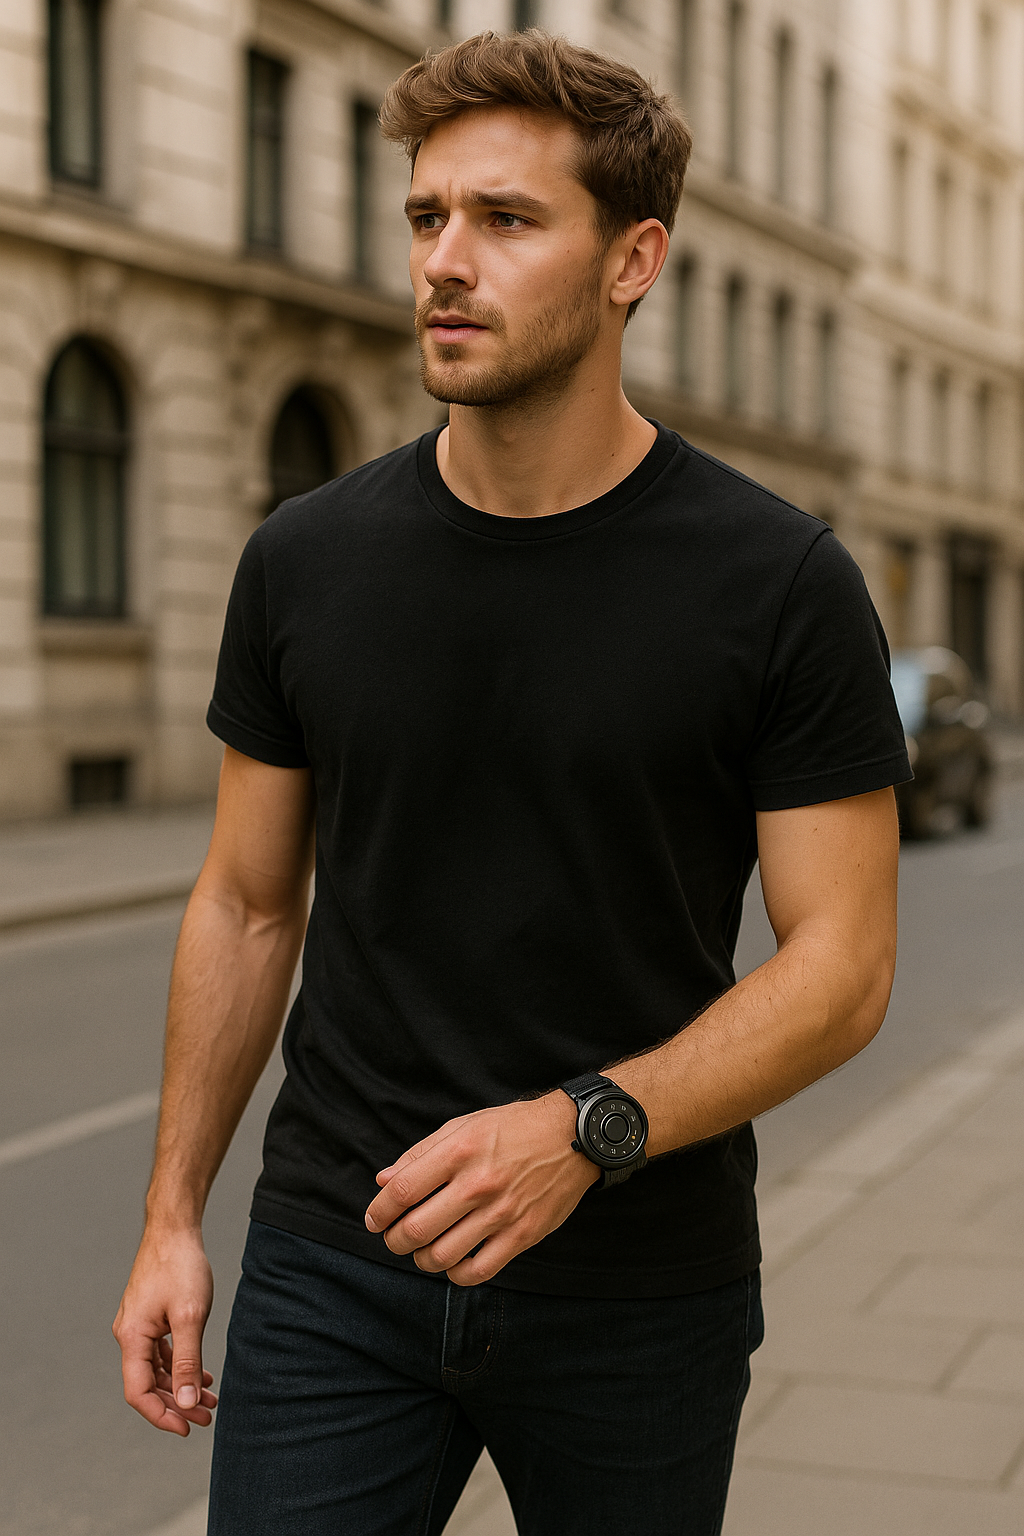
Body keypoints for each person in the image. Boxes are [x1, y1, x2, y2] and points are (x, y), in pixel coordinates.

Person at [114, 29, 910, 1536]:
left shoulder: (778, 581)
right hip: (338, 1259)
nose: (444, 262)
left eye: (507, 220)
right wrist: (169, 1222)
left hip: (637, 1284)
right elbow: (244, 901)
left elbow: (846, 966)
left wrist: (582, 1128)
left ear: (635, 261)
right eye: (427, 217)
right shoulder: (303, 560)